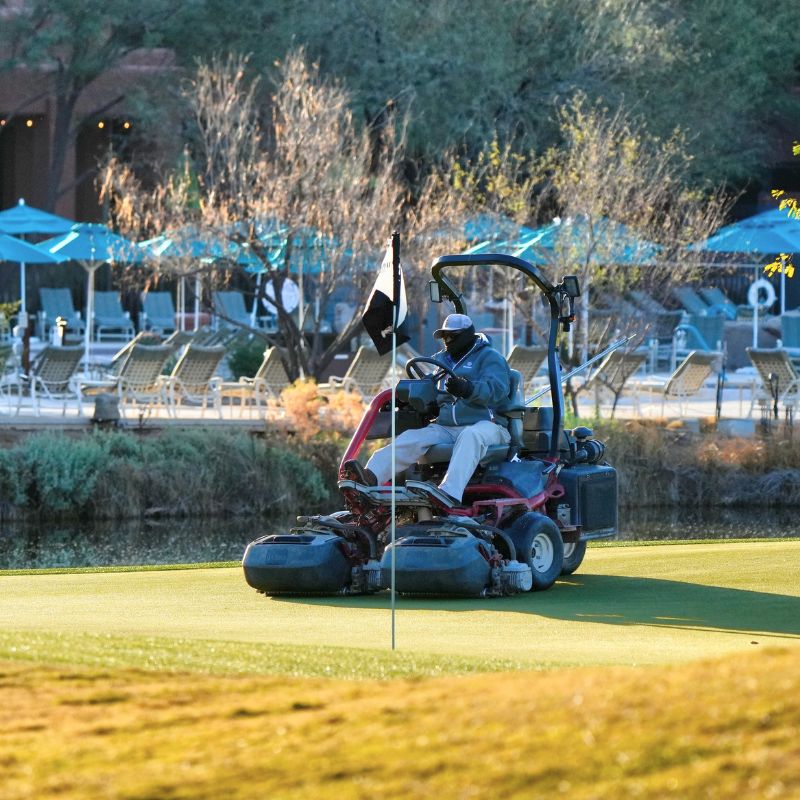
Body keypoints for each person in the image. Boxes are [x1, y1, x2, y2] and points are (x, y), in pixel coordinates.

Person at [345, 313, 511, 506]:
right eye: (444, 337)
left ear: (467, 335)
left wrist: (468, 388)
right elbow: (432, 390)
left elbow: (498, 390)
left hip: (488, 425)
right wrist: (414, 401)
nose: (447, 341)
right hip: (448, 427)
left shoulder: (489, 357)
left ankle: (449, 494)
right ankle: (370, 476)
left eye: (452, 336)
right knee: (413, 437)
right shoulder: (442, 360)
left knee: (471, 435)